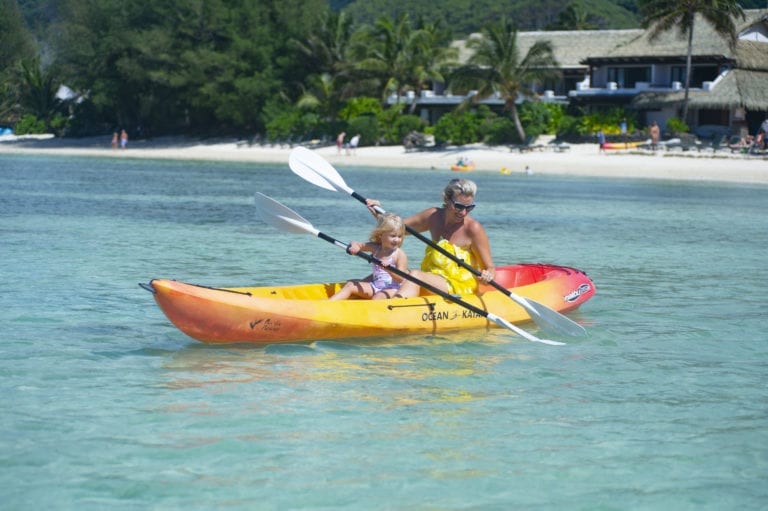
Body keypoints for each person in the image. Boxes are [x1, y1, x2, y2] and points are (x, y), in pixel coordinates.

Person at [366, 179, 495, 299]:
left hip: (458, 285)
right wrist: (378, 213)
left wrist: (487, 276)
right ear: (446, 199)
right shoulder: (433, 216)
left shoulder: (473, 228)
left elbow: (489, 268)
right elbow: (398, 229)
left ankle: (392, 307)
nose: (463, 213)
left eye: (469, 207)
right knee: (399, 274)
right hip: (431, 278)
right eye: (459, 206)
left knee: (414, 275)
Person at [329, 213, 409, 300]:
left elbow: (400, 279)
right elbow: (357, 244)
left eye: (399, 236)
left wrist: (389, 270)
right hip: (375, 286)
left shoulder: (399, 254)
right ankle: (327, 305)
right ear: (380, 235)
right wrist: (355, 247)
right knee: (350, 285)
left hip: (393, 288)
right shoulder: (376, 248)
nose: (397, 239)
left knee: (377, 297)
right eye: (393, 236)